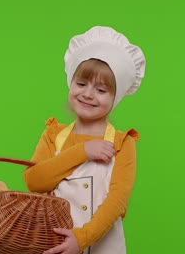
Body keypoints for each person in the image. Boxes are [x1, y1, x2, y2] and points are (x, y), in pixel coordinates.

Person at [23, 26, 146, 254]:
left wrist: (80, 239)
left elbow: (117, 202)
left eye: (101, 89)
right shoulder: (53, 134)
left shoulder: (122, 144)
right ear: (71, 84)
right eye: (81, 84)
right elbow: (34, 180)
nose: (88, 94)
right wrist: (83, 151)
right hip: (55, 246)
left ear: (115, 98)